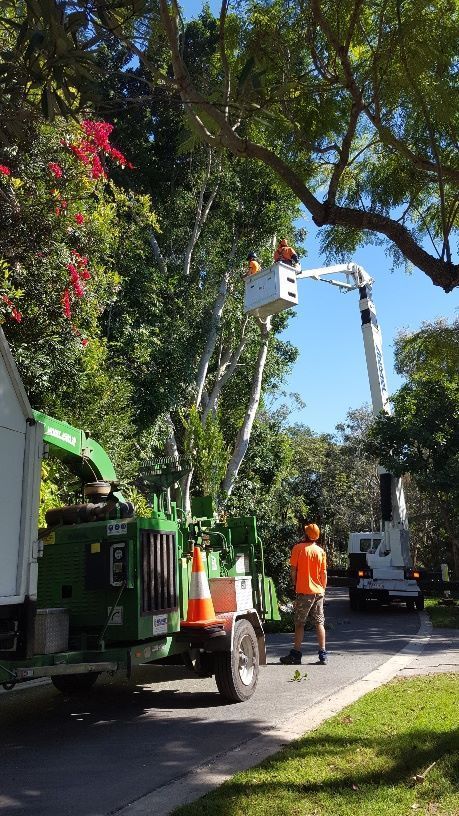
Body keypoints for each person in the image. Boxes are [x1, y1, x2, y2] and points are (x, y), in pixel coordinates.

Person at [280, 522, 328, 665]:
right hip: (319, 591)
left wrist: (294, 584)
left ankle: (296, 654)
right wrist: (323, 589)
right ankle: (323, 654)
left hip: (304, 591)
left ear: (306, 534)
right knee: (319, 623)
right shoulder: (320, 551)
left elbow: (293, 570)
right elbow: (324, 573)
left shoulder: (298, 548)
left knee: (300, 623)